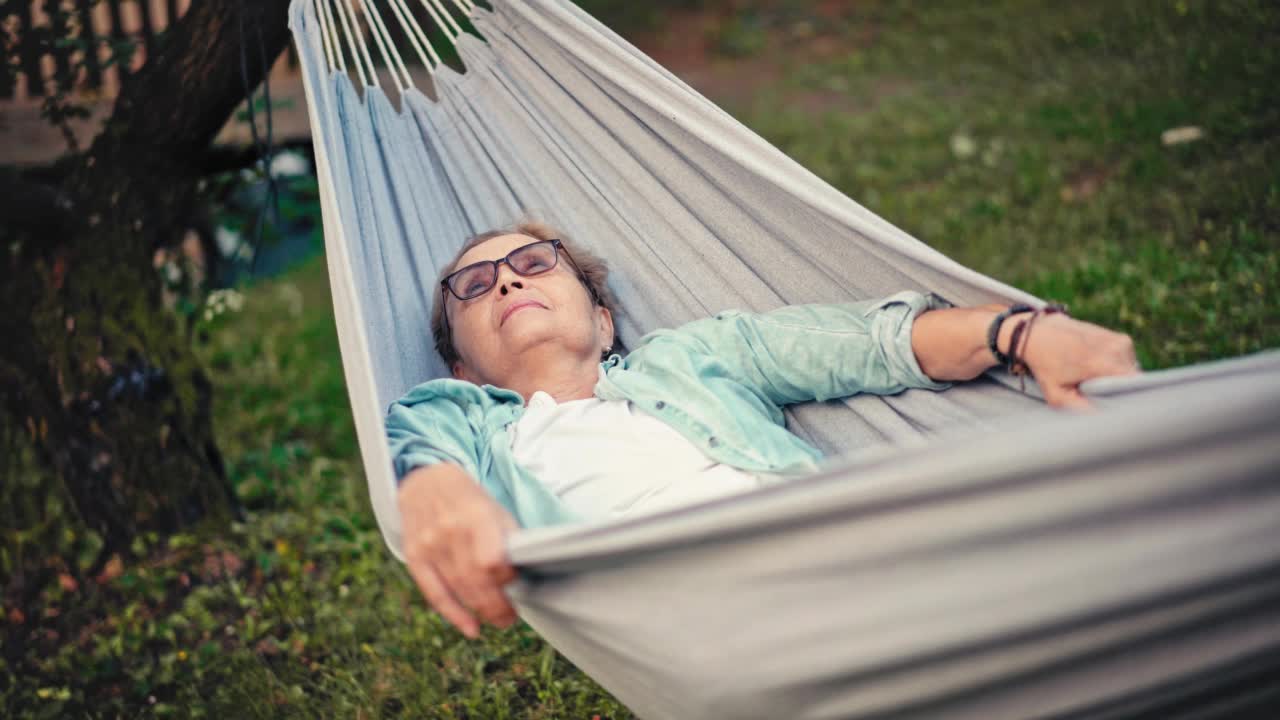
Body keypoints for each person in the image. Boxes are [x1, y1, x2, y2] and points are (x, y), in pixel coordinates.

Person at [385, 221, 1139, 638]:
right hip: (704, 631)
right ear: (465, 369)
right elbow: (425, 435)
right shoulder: (473, 424)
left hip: (838, 560)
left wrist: (1019, 335)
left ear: (605, 318)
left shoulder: (693, 356)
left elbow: (862, 345)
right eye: (474, 287)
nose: (509, 280)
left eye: (532, 262)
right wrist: (433, 487)